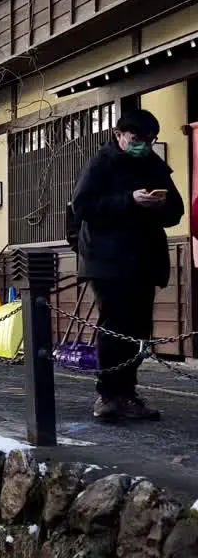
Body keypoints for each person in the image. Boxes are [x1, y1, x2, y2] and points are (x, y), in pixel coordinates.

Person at [70, 107, 183, 423]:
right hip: (108, 259)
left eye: (149, 140)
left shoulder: (153, 165)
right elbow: (83, 206)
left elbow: (176, 210)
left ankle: (128, 392)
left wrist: (160, 205)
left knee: (138, 329)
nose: (142, 145)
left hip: (144, 260)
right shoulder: (100, 164)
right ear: (119, 135)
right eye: (136, 139)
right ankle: (108, 395)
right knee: (115, 326)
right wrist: (129, 200)